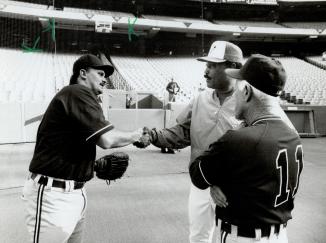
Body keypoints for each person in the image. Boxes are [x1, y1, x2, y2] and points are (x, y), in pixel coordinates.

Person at [21, 54, 143, 243]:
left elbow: (65, 145)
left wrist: (90, 166)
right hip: (52, 196)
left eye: (106, 75)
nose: (105, 79)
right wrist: (136, 135)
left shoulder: (78, 97)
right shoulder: (77, 92)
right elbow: (107, 140)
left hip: (74, 193)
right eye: (100, 73)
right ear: (83, 73)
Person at [135, 41, 244, 243]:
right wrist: (153, 136)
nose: (206, 70)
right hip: (201, 182)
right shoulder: (200, 98)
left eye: (212, 65)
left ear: (232, 68)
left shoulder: (248, 100)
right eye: (206, 65)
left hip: (235, 187)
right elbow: (182, 132)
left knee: (236, 239)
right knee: (198, 238)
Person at [189, 54, 304, 243]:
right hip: (279, 236)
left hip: (242, 236)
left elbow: (198, 175)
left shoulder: (237, 139)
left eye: (237, 89)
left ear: (247, 92)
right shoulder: (293, 136)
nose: (234, 95)